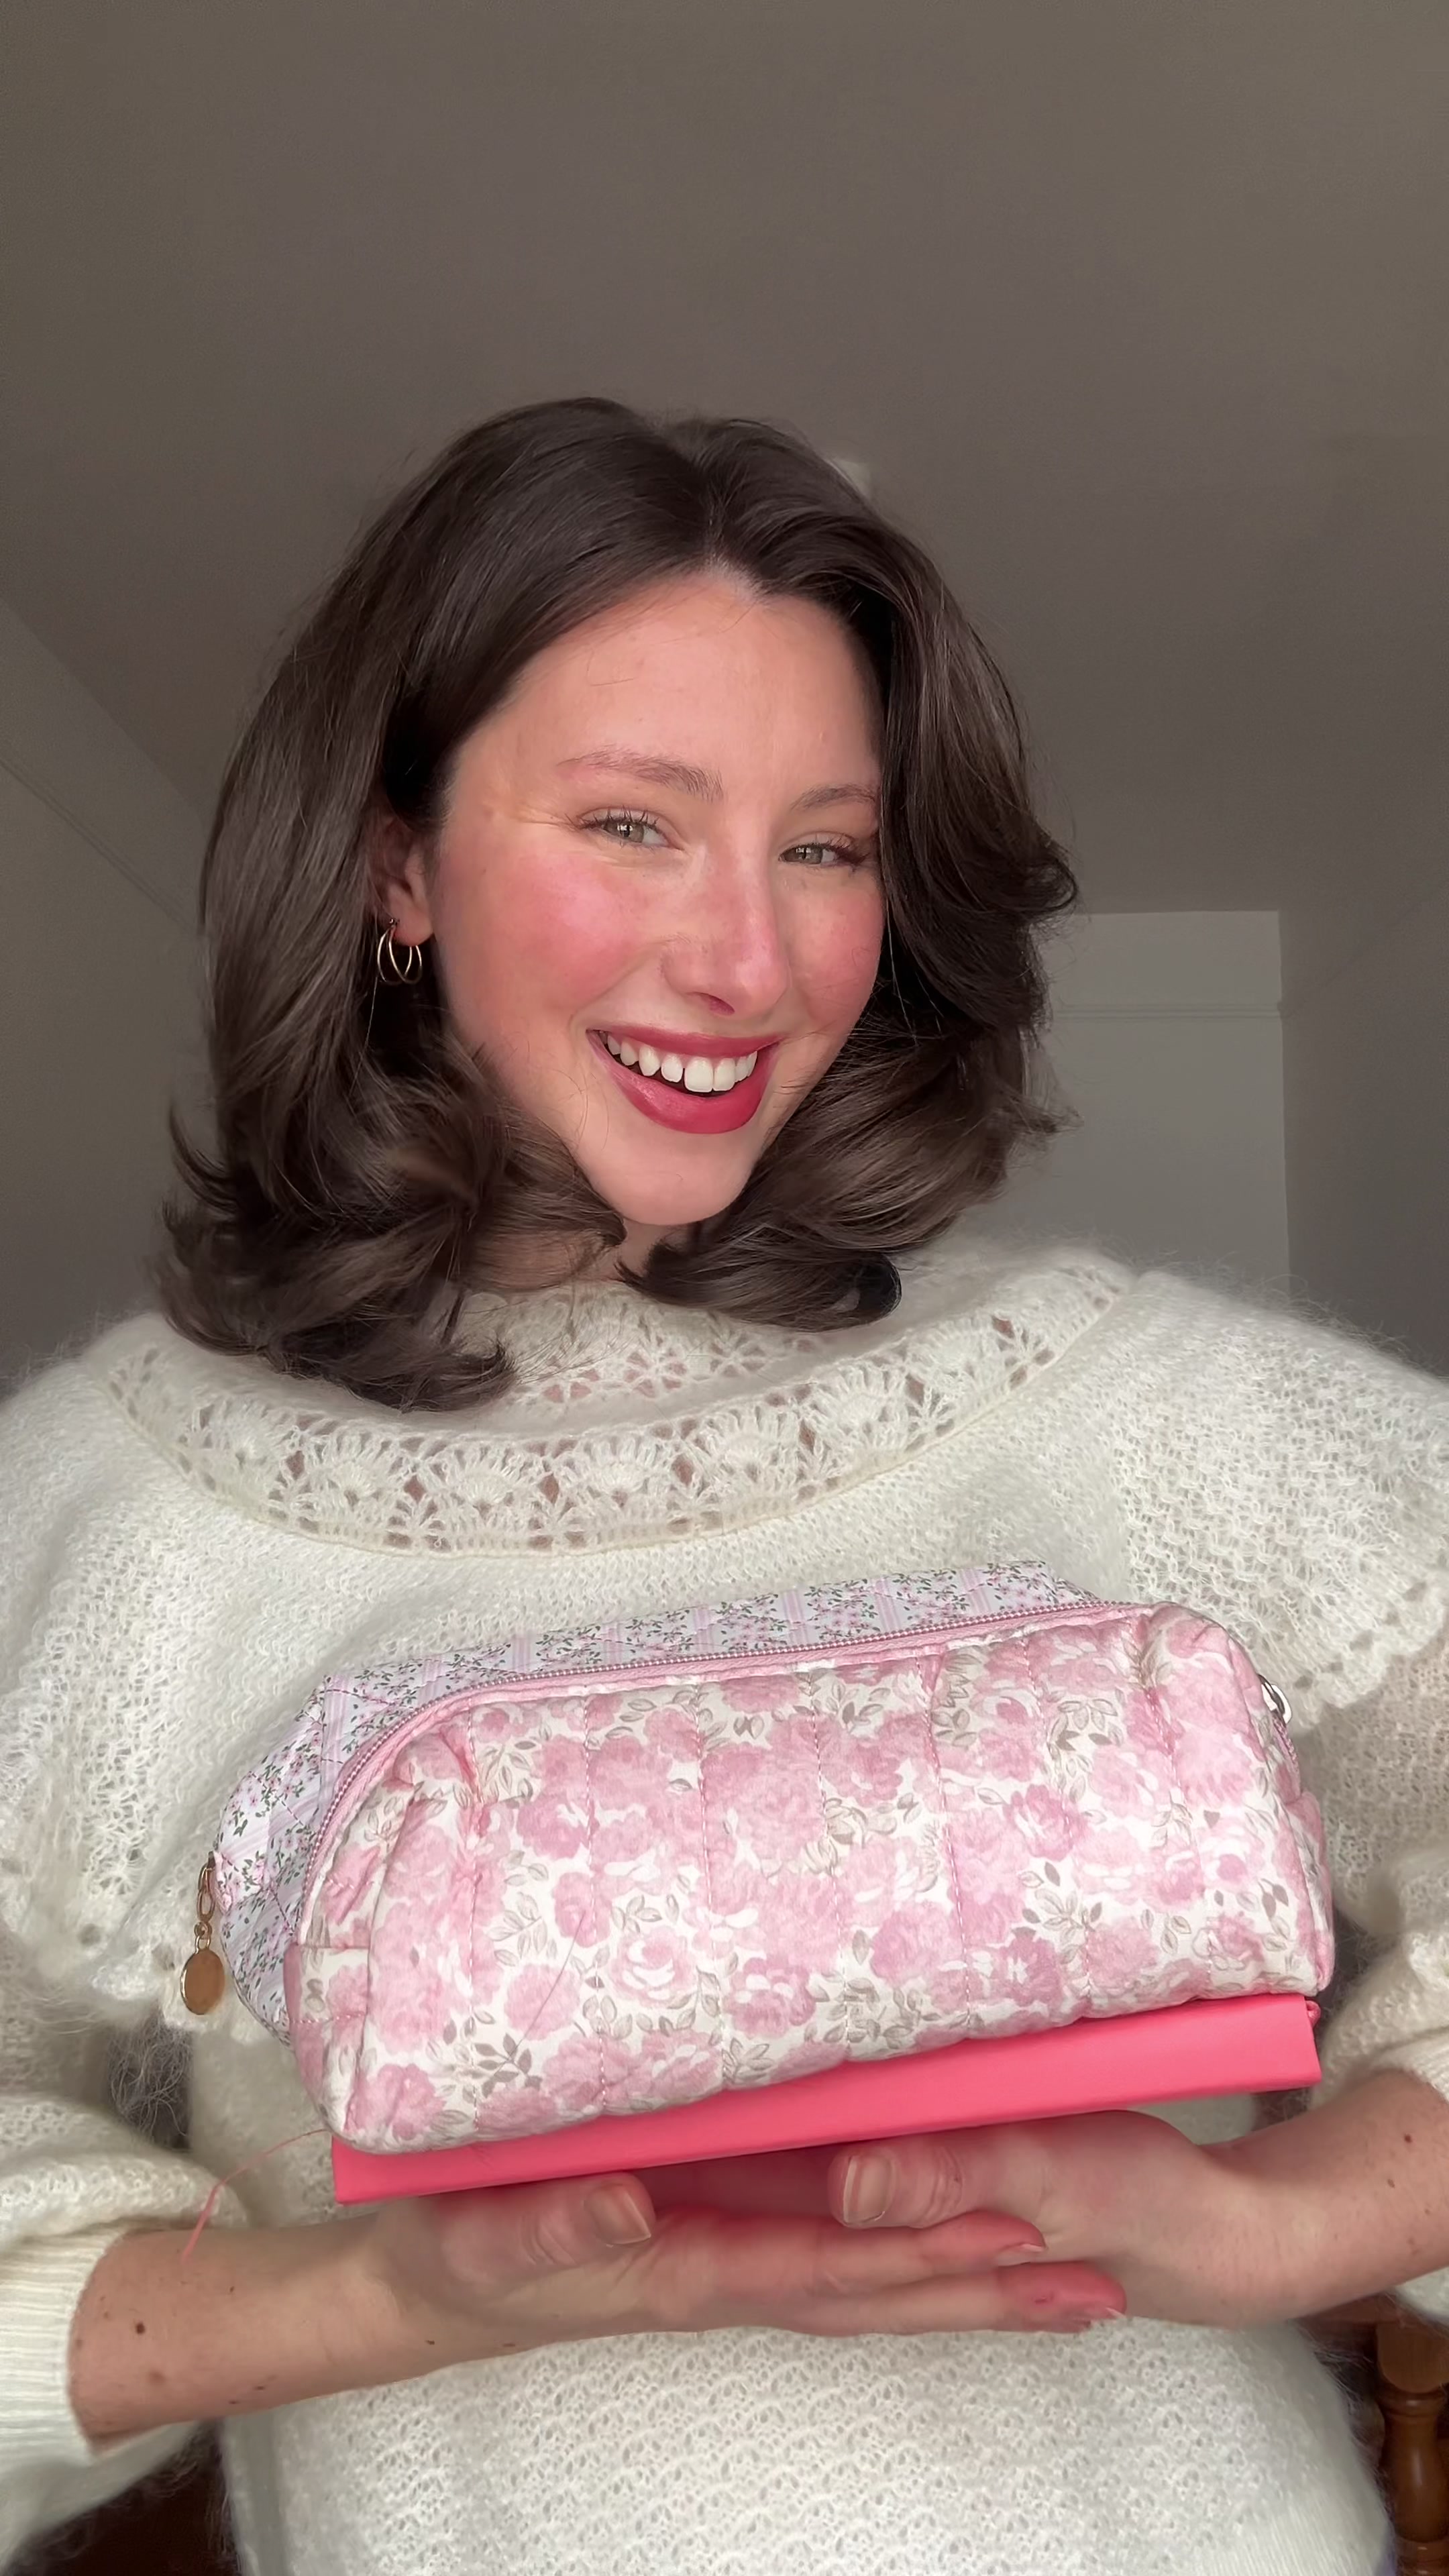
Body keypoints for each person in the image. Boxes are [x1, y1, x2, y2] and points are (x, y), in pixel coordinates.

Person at [1, 396, 1444, 2576]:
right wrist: (378, 2298)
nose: (750, 963)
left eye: (826, 848)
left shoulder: (1142, 1410)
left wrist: (1285, 2221)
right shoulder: (115, 1519)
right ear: (398, 865)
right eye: (633, 823)